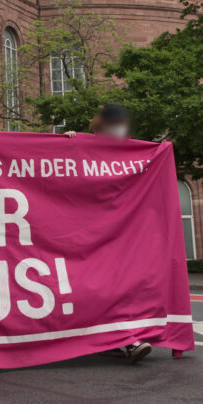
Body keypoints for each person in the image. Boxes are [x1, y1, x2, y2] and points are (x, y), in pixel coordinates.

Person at [67, 103, 154, 364]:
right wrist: (69, 142)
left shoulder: (131, 152)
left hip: (117, 232)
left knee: (116, 287)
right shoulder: (85, 146)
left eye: (120, 125)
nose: (117, 130)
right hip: (92, 232)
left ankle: (124, 338)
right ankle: (120, 339)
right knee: (99, 289)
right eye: (111, 125)